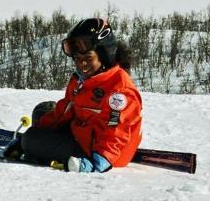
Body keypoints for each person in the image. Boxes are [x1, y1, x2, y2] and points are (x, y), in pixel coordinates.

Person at [9, 18, 142, 173]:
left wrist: (100, 160)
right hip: (82, 134)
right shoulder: (82, 80)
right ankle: (32, 142)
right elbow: (62, 113)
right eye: (77, 59)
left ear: (104, 56)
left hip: (99, 153)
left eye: (88, 59)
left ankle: (41, 148)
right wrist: (27, 137)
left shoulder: (119, 90)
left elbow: (116, 130)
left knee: (32, 139)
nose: (82, 64)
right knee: (42, 112)